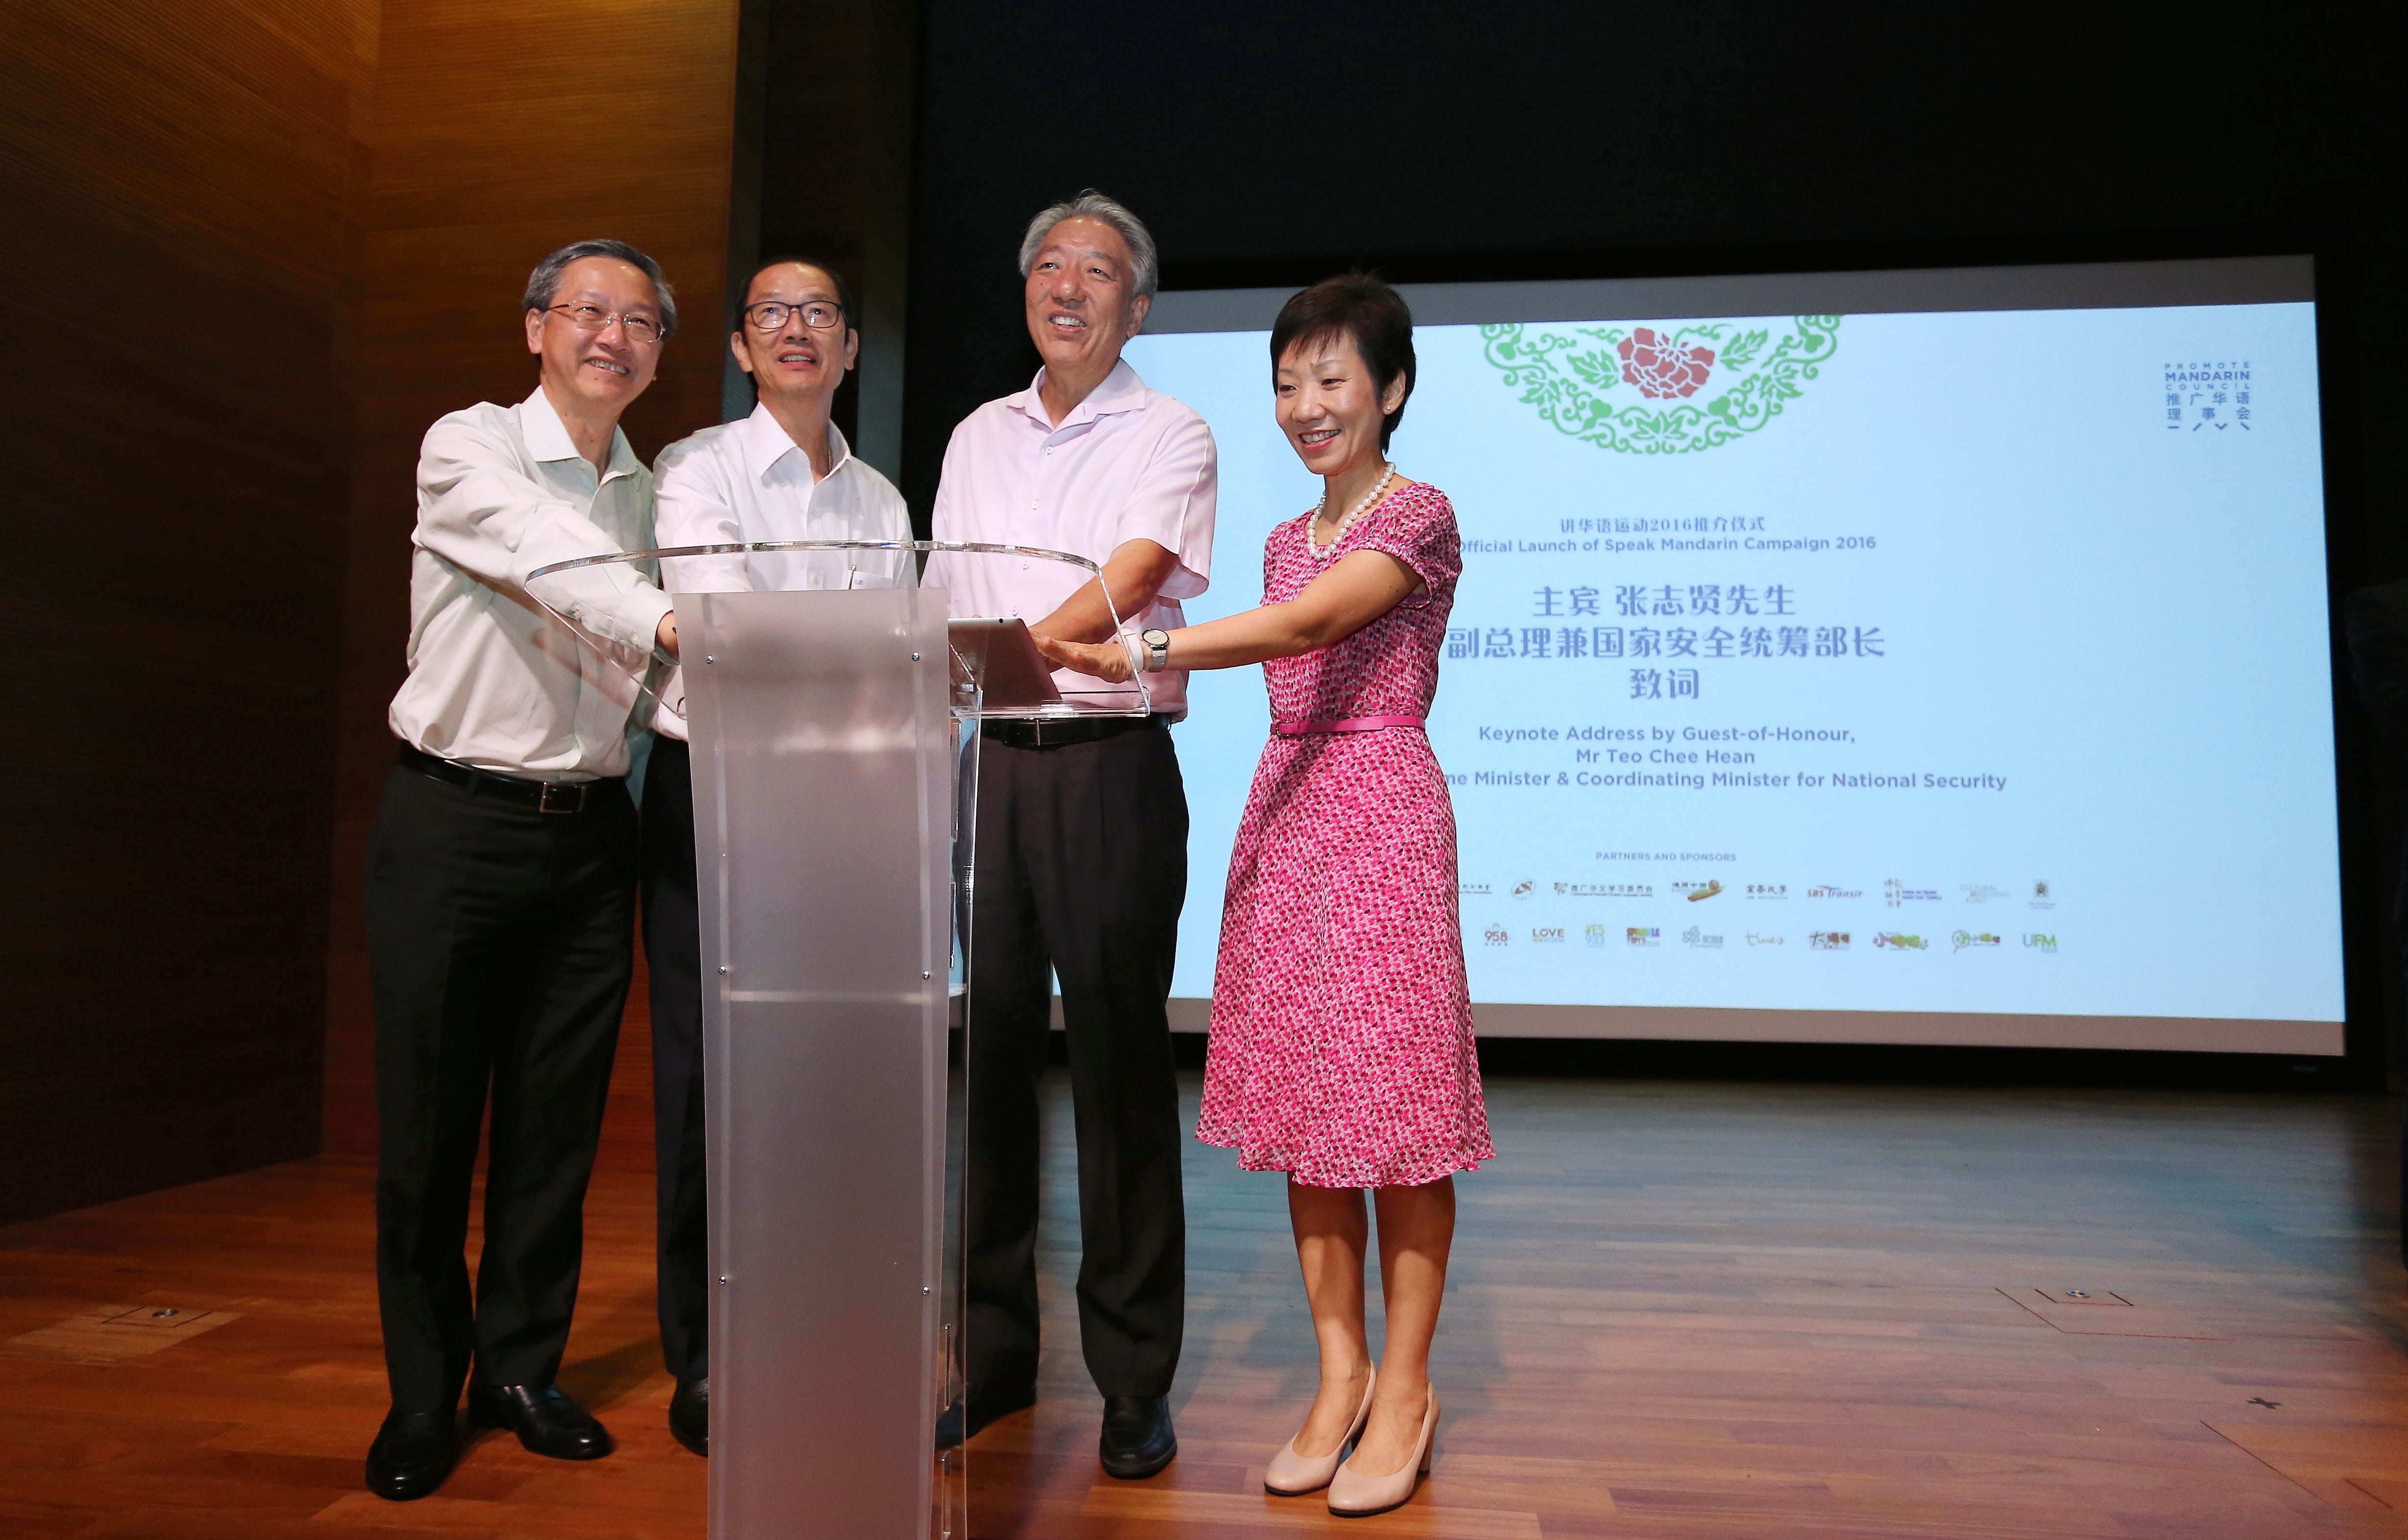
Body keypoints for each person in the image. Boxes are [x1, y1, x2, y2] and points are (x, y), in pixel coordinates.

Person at [1039, 273, 1490, 1518]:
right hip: (1286, 819)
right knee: (1306, 1109)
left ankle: (1406, 1391)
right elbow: (1288, 610)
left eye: (1333, 380)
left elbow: (1305, 633)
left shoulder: (1424, 513)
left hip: (1383, 814)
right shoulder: (1286, 534)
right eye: (1288, 384)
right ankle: (1338, 1375)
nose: (1306, 406)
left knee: (1393, 1111)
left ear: (1391, 391)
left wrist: (1139, 644)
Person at [362, 239, 684, 1502]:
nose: (616, 335)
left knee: (554, 1133)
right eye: (591, 312)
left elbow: (664, 687)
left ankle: (519, 1371)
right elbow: (555, 564)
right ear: (537, 327)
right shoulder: (470, 445)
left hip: (592, 834)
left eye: (643, 321)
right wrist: (673, 619)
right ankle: (417, 1394)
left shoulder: (656, 497)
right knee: (430, 1130)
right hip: (451, 823)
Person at [923, 191, 1215, 1479]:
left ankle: (1133, 1383)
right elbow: (936, 609)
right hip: (994, 773)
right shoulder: (975, 433)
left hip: (1105, 766)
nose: (1068, 284)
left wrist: (1026, 648)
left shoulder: (1172, 427)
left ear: (1134, 306)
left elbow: (1137, 572)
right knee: (982, 1074)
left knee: (1114, 1077)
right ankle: (988, 1364)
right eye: (1049, 263)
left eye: (1098, 270)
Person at [641, 256, 913, 1455]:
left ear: (851, 348)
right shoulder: (696, 470)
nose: (797, 332)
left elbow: (895, 662)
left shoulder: (886, 504)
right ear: (745, 350)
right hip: (715, 795)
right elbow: (717, 631)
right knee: (708, 1081)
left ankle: (814, 1324)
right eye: (772, 316)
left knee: (827, 1076)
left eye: (820, 316)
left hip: (842, 814)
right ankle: (704, 1361)